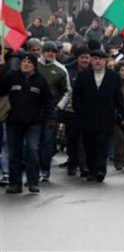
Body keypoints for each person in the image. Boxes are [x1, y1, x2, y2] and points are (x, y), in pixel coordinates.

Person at [1, 53, 55, 194]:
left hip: (34, 122)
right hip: (14, 121)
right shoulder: (12, 77)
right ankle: (15, 184)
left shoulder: (40, 80)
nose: (25, 63)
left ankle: (32, 182)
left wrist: (50, 117)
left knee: (32, 150)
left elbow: (48, 101)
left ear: (34, 65)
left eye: (29, 62)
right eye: (23, 61)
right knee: (14, 153)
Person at [72, 50, 124, 182]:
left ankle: (101, 169)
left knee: (102, 144)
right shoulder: (83, 75)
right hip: (87, 117)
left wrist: (123, 113)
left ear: (105, 61)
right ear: (91, 60)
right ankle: (91, 170)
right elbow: (76, 96)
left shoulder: (113, 76)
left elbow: (118, 96)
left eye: (100, 59)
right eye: (94, 58)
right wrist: (80, 111)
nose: (97, 61)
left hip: (106, 117)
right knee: (89, 145)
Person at [36, 41, 71, 182]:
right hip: (33, 111)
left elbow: (67, 91)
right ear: (42, 52)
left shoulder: (61, 69)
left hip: (51, 112)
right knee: (33, 142)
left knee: (47, 141)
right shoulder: (34, 66)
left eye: (53, 51)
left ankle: (44, 170)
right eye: (48, 50)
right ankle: (33, 168)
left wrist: (58, 107)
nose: (50, 53)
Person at [62, 45, 91, 176]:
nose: (85, 60)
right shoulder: (67, 70)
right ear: (77, 58)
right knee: (72, 138)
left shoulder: (94, 70)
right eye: (82, 57)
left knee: (84, 139)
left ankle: (84, 164)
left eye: (87, 57)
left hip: (88, 111)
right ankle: (72, 163)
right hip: (70, 110)